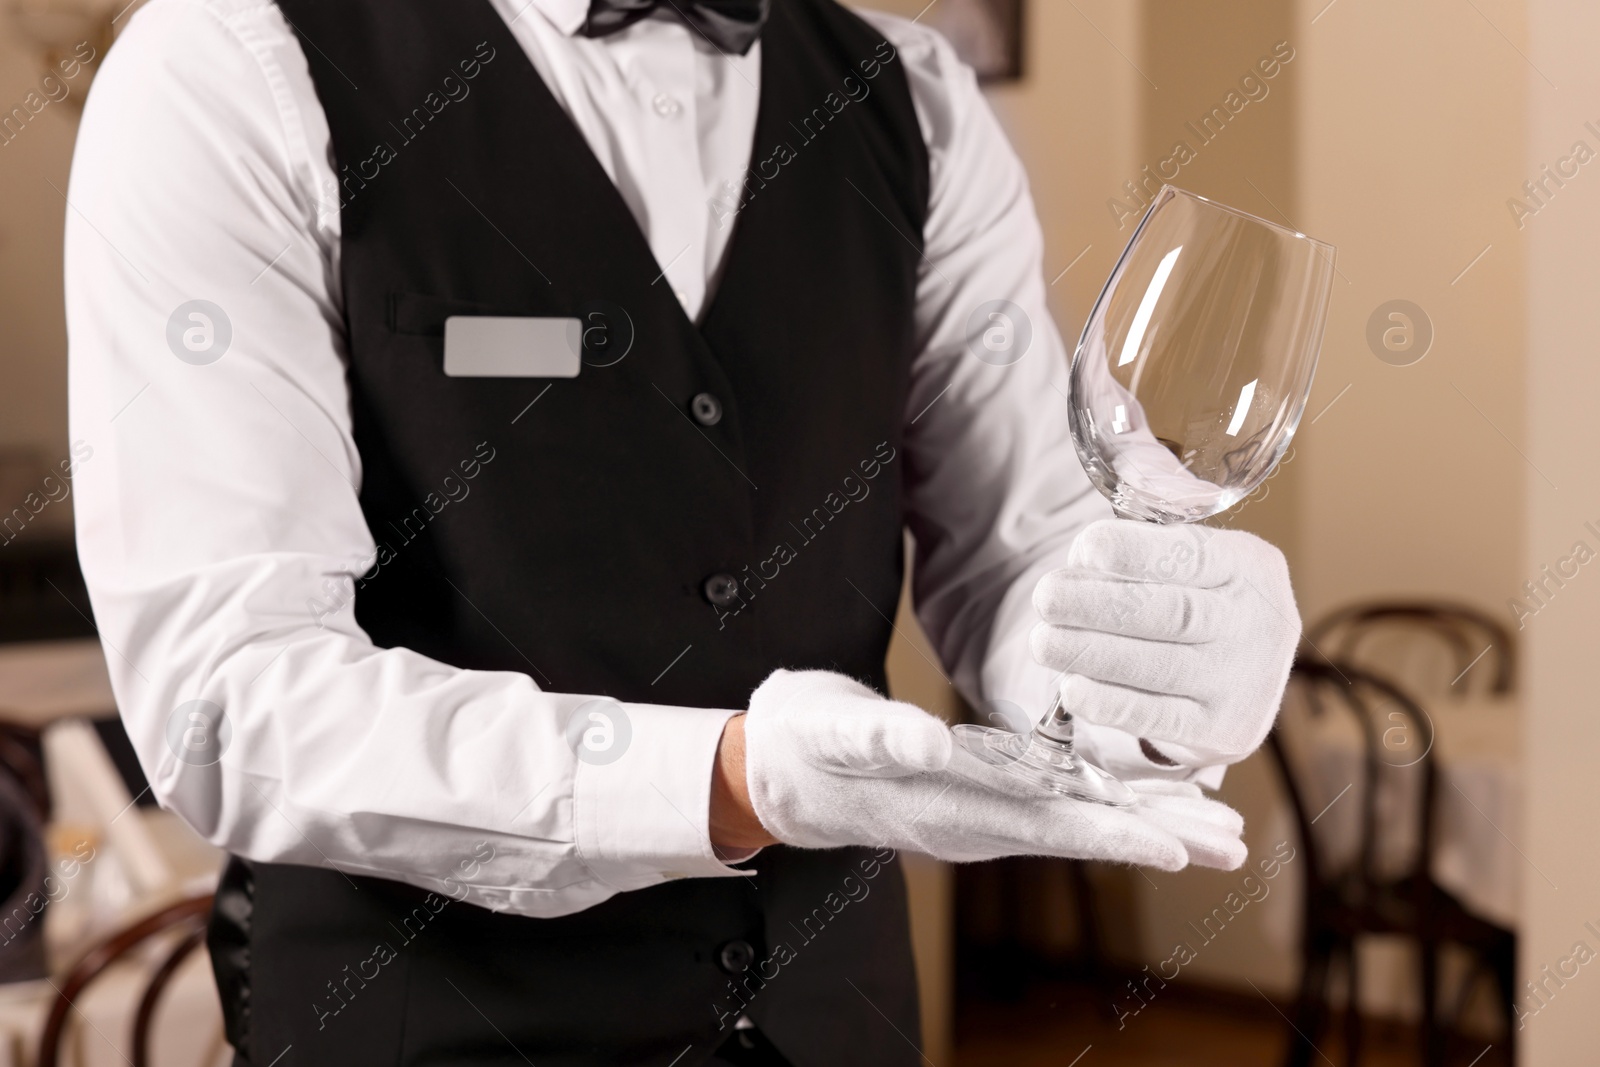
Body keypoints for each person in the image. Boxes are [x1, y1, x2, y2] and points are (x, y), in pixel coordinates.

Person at [64, 0, 1299, 1063]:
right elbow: (231, 696)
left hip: (838, 1024)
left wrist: (1153, 667)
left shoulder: (915, 103)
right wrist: (731, 781)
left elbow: (1024, 548)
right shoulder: (231, 67)